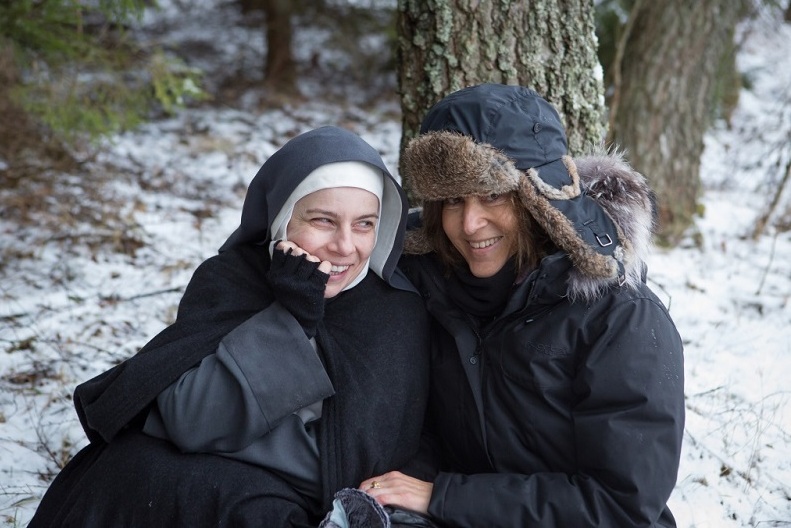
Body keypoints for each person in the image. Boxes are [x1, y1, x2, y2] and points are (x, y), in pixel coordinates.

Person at [29, 126, 430, 528]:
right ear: (282, 216)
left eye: (364, 224)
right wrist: (292, 315)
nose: (345, 246)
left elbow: (354, 461)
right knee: (121, 468)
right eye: (323, 220)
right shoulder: (231, 279)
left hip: (284, 504)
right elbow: (191, 418)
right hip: (197, 476)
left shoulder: (393, 313)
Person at [360, 84, 685, 527]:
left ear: (538, 199)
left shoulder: (620, 317)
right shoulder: (427, 286)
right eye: (453, 200)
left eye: (493, 195)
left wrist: (445, 497)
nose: (470, 224)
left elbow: (617, 503)